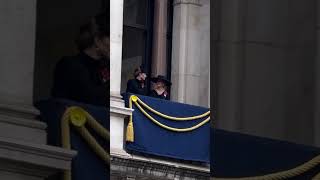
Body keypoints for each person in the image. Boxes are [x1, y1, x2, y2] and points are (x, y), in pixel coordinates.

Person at [51, 13, 109, 106]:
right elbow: (91, 99)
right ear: (97, 41)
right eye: (112, 38)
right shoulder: (70, 65)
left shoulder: (105, 67)